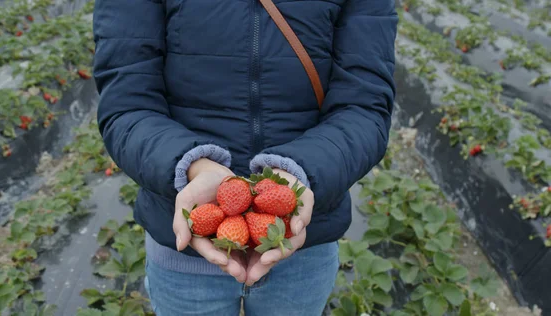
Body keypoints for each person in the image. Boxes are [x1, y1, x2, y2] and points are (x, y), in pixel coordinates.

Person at [92, 0, 397, 315]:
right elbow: (127, 103)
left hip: (300, 240)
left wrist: (298, 174)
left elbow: (364, 106)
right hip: (184, 244)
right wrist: (192, 165)